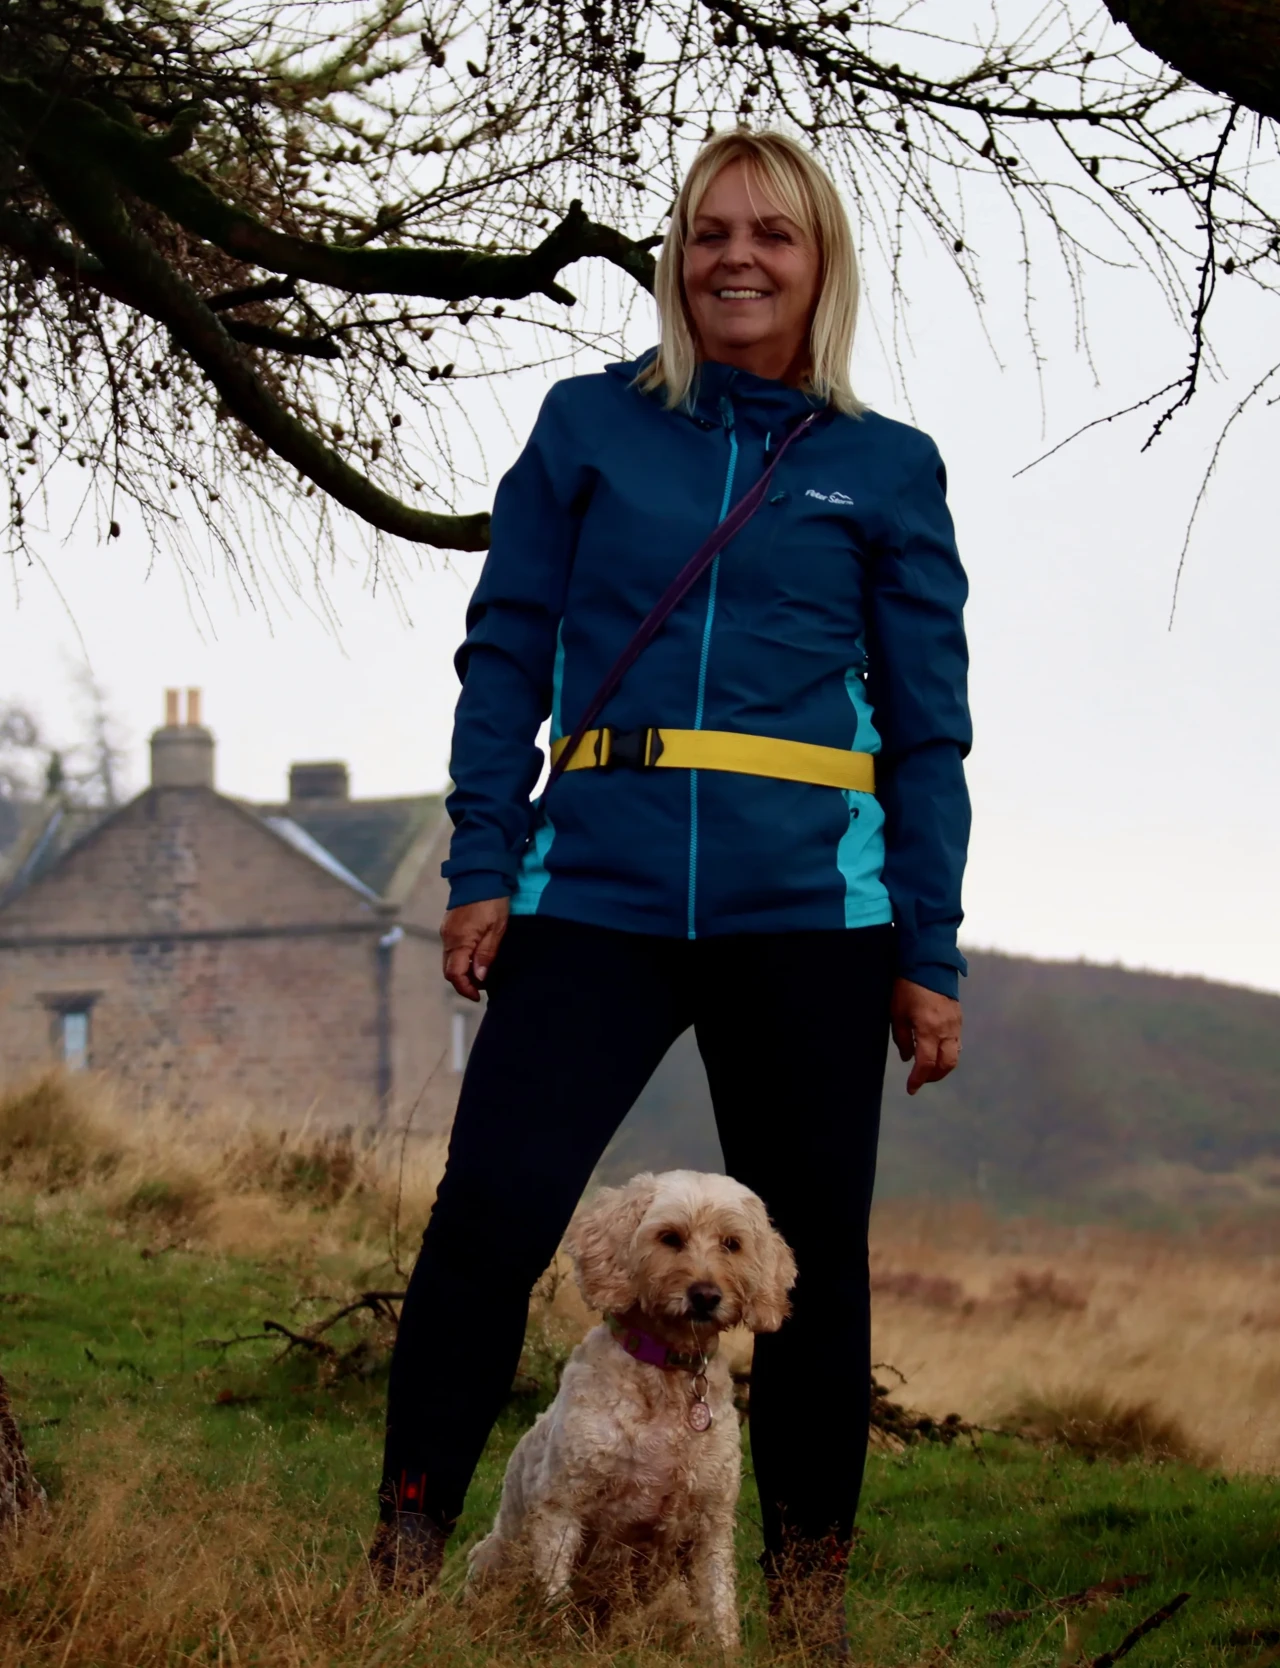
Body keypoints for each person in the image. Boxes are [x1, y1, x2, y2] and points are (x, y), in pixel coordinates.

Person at [370, 128, 971, 1656]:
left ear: (819, 261)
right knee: (487, 1223)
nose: (737, 260)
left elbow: (928, 727)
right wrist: (484, 861)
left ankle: (810, 1610)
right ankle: (395, 1565)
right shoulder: (585, 429)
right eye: (709, 234)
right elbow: (505, 653)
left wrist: (931, 947)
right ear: (674, 260)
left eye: (772, 234)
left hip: (810, 924)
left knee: (812, 1279)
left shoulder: (886, 469)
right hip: (598, 896)